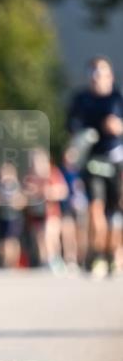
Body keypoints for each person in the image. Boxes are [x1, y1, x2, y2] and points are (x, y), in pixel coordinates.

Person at [67, 57, 123, 277]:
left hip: (117, 160)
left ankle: (111, 253)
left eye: (102, 74)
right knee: (95, 210)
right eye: (94, 74)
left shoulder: (118, 98)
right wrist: (75, 146)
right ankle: (97, 253)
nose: (97, 78)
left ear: (110, 76)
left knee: (116, 214)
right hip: (92, 160)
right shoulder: (81, 100)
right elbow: (73, 127)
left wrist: (118, 126)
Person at [0, 161, 26, 269]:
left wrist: (14, 202)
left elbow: (22, 201)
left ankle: (13, 263)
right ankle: (4, 263)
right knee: (3, 242)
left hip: (14, 218)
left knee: (13, 240)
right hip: (2, 217)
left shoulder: (16, 186)